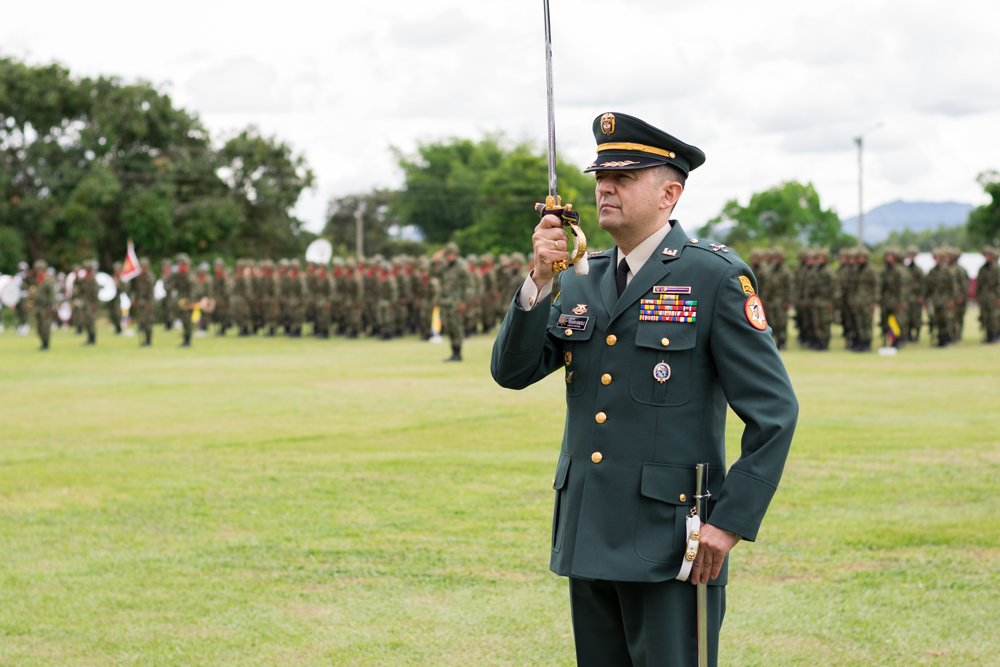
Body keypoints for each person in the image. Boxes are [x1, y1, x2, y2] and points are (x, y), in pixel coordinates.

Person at [491, 112, 798, 667]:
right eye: (601, 176)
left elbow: (774, 412)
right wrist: (540, 277)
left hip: (672, 545)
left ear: (669, 193)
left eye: (625, 177)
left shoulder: (714, 277)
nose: (605, 187)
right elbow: (512, 371)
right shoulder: (581, 274)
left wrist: (729, 522)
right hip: (587, 532)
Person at [975, 245, 999, 343]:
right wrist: (977, 296)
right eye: (985, 255)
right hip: (984, 297)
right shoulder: (982, 269)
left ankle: (994, 336)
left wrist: (999, 297)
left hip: (994, 296)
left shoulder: (996, 269)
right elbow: (979, 284)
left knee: (994, 317)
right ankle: (987, 336)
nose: (986, 257)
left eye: (988, 255)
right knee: (984, 317)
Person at [31, 260, 56, 350]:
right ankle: (42, 342)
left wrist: (50, 307)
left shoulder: (47, 280)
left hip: (45, 307)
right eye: (37, 269)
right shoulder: (37, 280)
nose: (38, 271)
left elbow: (52, 295)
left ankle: (46, 343)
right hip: (38, 307)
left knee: (45, 326)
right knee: (38, 326)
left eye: (40, 269)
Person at [131, 257, 156, 346]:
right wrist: (134, 300)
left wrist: (150, 303)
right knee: (140, 322)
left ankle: (148, 340)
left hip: (147, 302)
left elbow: (151, 292)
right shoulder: (138, 277)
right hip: (140, 302)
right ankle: (142, 340)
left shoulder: (150, 277)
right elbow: (135, 290)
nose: (142, 268)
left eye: (144, 266)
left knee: (148, 322)